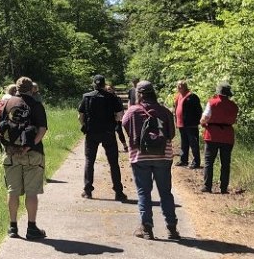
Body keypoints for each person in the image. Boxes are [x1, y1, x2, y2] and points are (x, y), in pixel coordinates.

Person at [122, 80, 179, 241]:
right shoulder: (165, 111)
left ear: (139, 94)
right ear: (153, 92)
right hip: (163, 155)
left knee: (144, 192)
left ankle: (147, 229)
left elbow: (124, 126)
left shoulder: (133, 111)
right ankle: (172, 228)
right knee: (165, 193)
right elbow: (171, 134)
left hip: (140, 157)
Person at [0, 76, 48, 240]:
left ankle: (13, 227)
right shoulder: (36, 105)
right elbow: (42, 129)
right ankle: (31, 228)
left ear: (16, 88)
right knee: (32, 192)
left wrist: (6, 144)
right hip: (33, 154)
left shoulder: (5, 103)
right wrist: (29, 146)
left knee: (13, 191)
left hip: (11, 153)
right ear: (31, 88)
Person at [78, 75, 128, 201]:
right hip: (108, 133)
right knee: (113, 163)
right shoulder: (112, 97)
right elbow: (119, 115)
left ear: (94, 84)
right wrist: (113, 123)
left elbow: (80, 116)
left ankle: (88, 190)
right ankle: (118, 192)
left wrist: (85, 125)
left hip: (92, 133)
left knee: (90, 161)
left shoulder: (87, 97)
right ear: (104, 84)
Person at [201, 81, 239, 193]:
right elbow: (234, 120)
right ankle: (223, 188)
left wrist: (203, 124)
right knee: (225, 163)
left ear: (218, 91)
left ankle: (207, 186)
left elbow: (204, 118)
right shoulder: (234, 106)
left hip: (212, 134)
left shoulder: (212, 103)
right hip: (227, 135)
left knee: (209, 161)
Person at [174, 80, 203, 168]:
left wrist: (197, 121)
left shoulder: (192, 96)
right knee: (184, 143)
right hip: (181, 124)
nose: (179, 87)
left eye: (181, 85)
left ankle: (196, 162)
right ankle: (183, 160)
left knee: (193, 143)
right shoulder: (178, 96)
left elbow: (199, 110)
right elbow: (175, 109)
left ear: (185, 86)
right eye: (178, 86)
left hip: (191, 124)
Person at [105, 85, 128, 152]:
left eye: (109, 89)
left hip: (117, 118)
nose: (108, 90)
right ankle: (112, 148)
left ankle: (125, 145)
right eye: (107, 89)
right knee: (110, 133)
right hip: (108, 118)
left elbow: (121, 108)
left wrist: (121, 116)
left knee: (119, 131)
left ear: (113, 90)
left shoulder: (117, 98)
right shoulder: (104, 98)